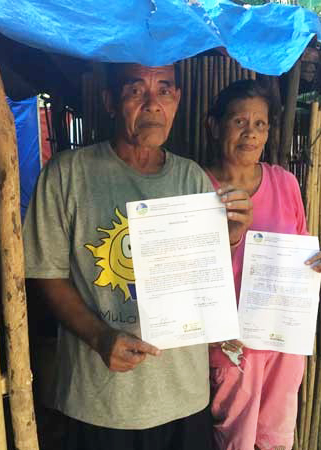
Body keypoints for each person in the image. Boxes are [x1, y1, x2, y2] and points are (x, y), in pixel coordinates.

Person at [22, 63, 253, 450]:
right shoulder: (67, 175)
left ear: (177, 100)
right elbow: (47, 274)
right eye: (135, 91)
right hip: (100, 402)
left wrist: (229, 238)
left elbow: (202, 279)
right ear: (110, 101)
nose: (152, 104)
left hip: (183, 397)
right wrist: (99, 336)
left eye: (164, 90)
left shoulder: (192, 180)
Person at [204, 79, 321, 450]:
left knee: (274, 439)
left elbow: (301, 249)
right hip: (232, 347)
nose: (250, 133)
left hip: (282, 341)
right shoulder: (197, 187)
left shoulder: (285, 183)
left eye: (260, 124)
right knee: (234, 439)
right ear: (214, 126)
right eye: (239, 122)